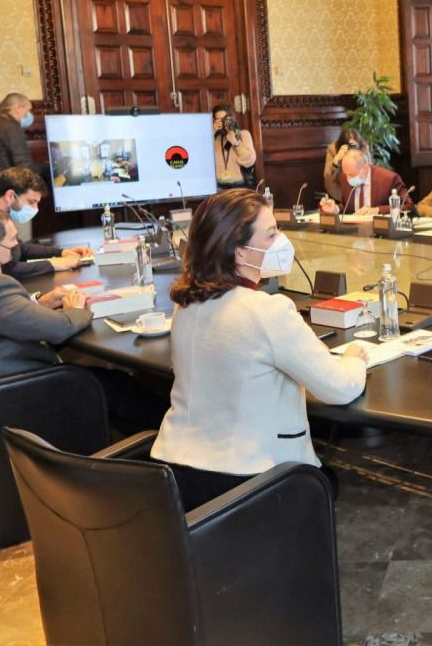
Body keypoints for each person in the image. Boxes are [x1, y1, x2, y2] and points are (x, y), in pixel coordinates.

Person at [150, 189, 369, 510]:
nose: (282, 241)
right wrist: (354, 360)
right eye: (271, 234)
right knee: (327, 481)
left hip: (175, 476)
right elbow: (340, 388)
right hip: (249, 482)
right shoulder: (266, 310)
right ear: (240, 253)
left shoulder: (186, 304)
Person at [0, 206, 165, 434]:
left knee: (110, 386)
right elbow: (59, 329)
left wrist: (38, 303)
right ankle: (174, 432)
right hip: (9, 392)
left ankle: (144, 443)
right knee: (115, 385)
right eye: (12, 240)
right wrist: (75, 308)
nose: (16, 246)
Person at [317, 147, 411, 217]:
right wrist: (336, 209)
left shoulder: (388, 179)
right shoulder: (344, 177)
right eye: (346, 174)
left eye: (352, 175)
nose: (348, 179)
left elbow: (408, 206)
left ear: (365, 168)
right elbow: (349, 207)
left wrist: (377, 210)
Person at [211, 103, 257, 189]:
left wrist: (235, 143)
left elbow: (250, 160)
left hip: (240, 185)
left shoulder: (243, 134)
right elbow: (203, 159)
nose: (223, 123)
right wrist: (212, 131)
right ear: (214, 121)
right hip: (218, 187)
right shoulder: (212, 137)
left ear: (232, 119)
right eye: (219, 120)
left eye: (225, 119)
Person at [322, 126, 371, 202]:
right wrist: (336, 160)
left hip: (360, 188)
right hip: (339, 189)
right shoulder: (333, 149)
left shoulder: (363, 147)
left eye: (355, 145)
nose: (353, 148)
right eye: (351, 145)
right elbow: (328, 176)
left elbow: (370, 170)